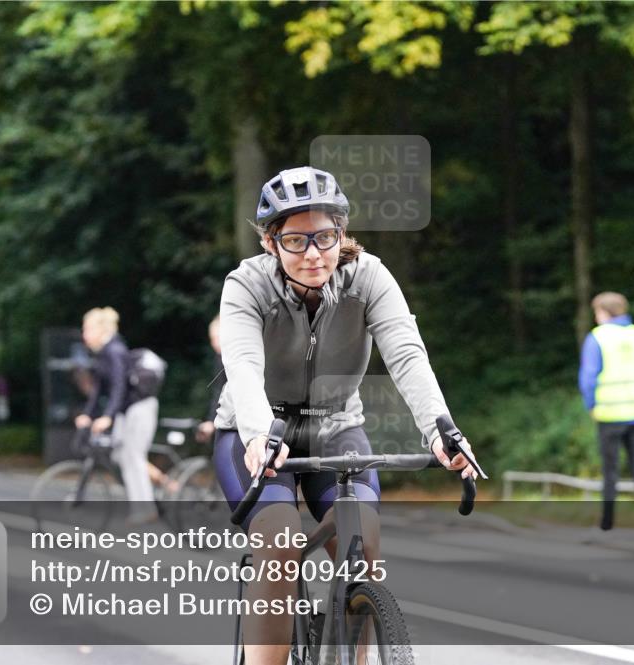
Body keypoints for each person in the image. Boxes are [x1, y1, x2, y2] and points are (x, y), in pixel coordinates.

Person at [213, 166, 477, 665]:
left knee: (365, 547)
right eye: (295, 240)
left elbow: (406, 355)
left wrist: (442, 429)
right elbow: (243, 367)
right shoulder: (245, 285)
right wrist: (256, 435)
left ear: (342, 233)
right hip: (258, 432)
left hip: (336, 428)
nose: (313, 253)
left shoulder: (370, 277)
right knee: (278, 545)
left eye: (325, 237)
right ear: (270, 244)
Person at [579, 292, 634, 538]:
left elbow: (588, 378)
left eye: (597, 312)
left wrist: (591, 405)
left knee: (610, 472)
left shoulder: (598, 337)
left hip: (610, 414)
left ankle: (606, 525)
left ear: (603, 312)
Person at [75, 307, 160, 524]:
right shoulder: (102, 354)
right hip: (125, 411)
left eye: (87, 329)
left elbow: (119, 387)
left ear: (100, 329)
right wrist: (88, 414)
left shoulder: (115, 351)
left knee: (133, 456)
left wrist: (107, 417)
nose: (84, 334)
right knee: (120, 456)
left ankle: (146, 508)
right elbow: (98, 391)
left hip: (140, 407)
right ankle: (158, 484)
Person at [195, 315, 225, 444]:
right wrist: (211, 421)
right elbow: (219, 390)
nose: (213, 343)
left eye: (217, 338)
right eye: (212, 339)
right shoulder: (219, 359)